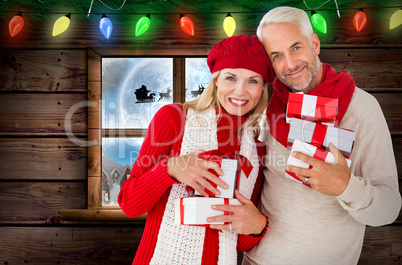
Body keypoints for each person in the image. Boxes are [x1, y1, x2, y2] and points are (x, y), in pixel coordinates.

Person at [241, 6, 401, 265]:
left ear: (314, 42)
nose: (290, 64)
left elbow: (389, 209)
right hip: (257, 260)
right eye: (277, 55)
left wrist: (347, 187)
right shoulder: (264, 104)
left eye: (296, 48)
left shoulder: (361, 108)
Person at [118, 34, 275, 265]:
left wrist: (258, 226)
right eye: (231, 77)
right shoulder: (174, 119)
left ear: (262, 88)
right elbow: (130, 204)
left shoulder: (257, 148)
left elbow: (236, 241)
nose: (241, 91)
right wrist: (170, 169)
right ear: (216, 80)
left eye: (252, 81)